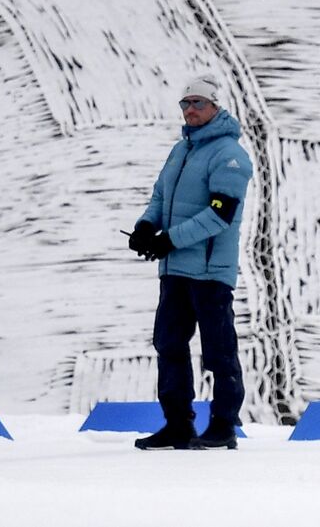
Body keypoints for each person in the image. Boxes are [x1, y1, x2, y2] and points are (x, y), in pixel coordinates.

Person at [127, 74, 252, 450]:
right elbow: (160, 197)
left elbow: (219, 216)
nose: (191, 110)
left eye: (198, 103)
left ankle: (223, 425)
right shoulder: (181, 151)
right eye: (185, 104)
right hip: (175, 270)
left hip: (211, 272)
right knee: (169, 345)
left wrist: (169, 240)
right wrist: (146, 228)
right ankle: (178, 425)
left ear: (216, 107)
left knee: (218, 350)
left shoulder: (230, 155)